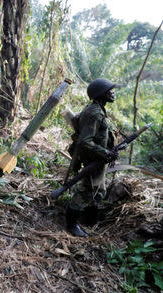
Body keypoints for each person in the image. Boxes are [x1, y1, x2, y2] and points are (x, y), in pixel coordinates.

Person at [66, 78, 118, 237]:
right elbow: (84, 141)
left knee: (99, 190)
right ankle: (71, 224)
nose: (113, 92)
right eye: (109, 90)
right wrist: (106, 153)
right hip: (93, 158)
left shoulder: (99, 109)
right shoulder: (94, 113)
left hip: (98, 157)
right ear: (101, 94)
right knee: (87, 190)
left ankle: (90, 219)